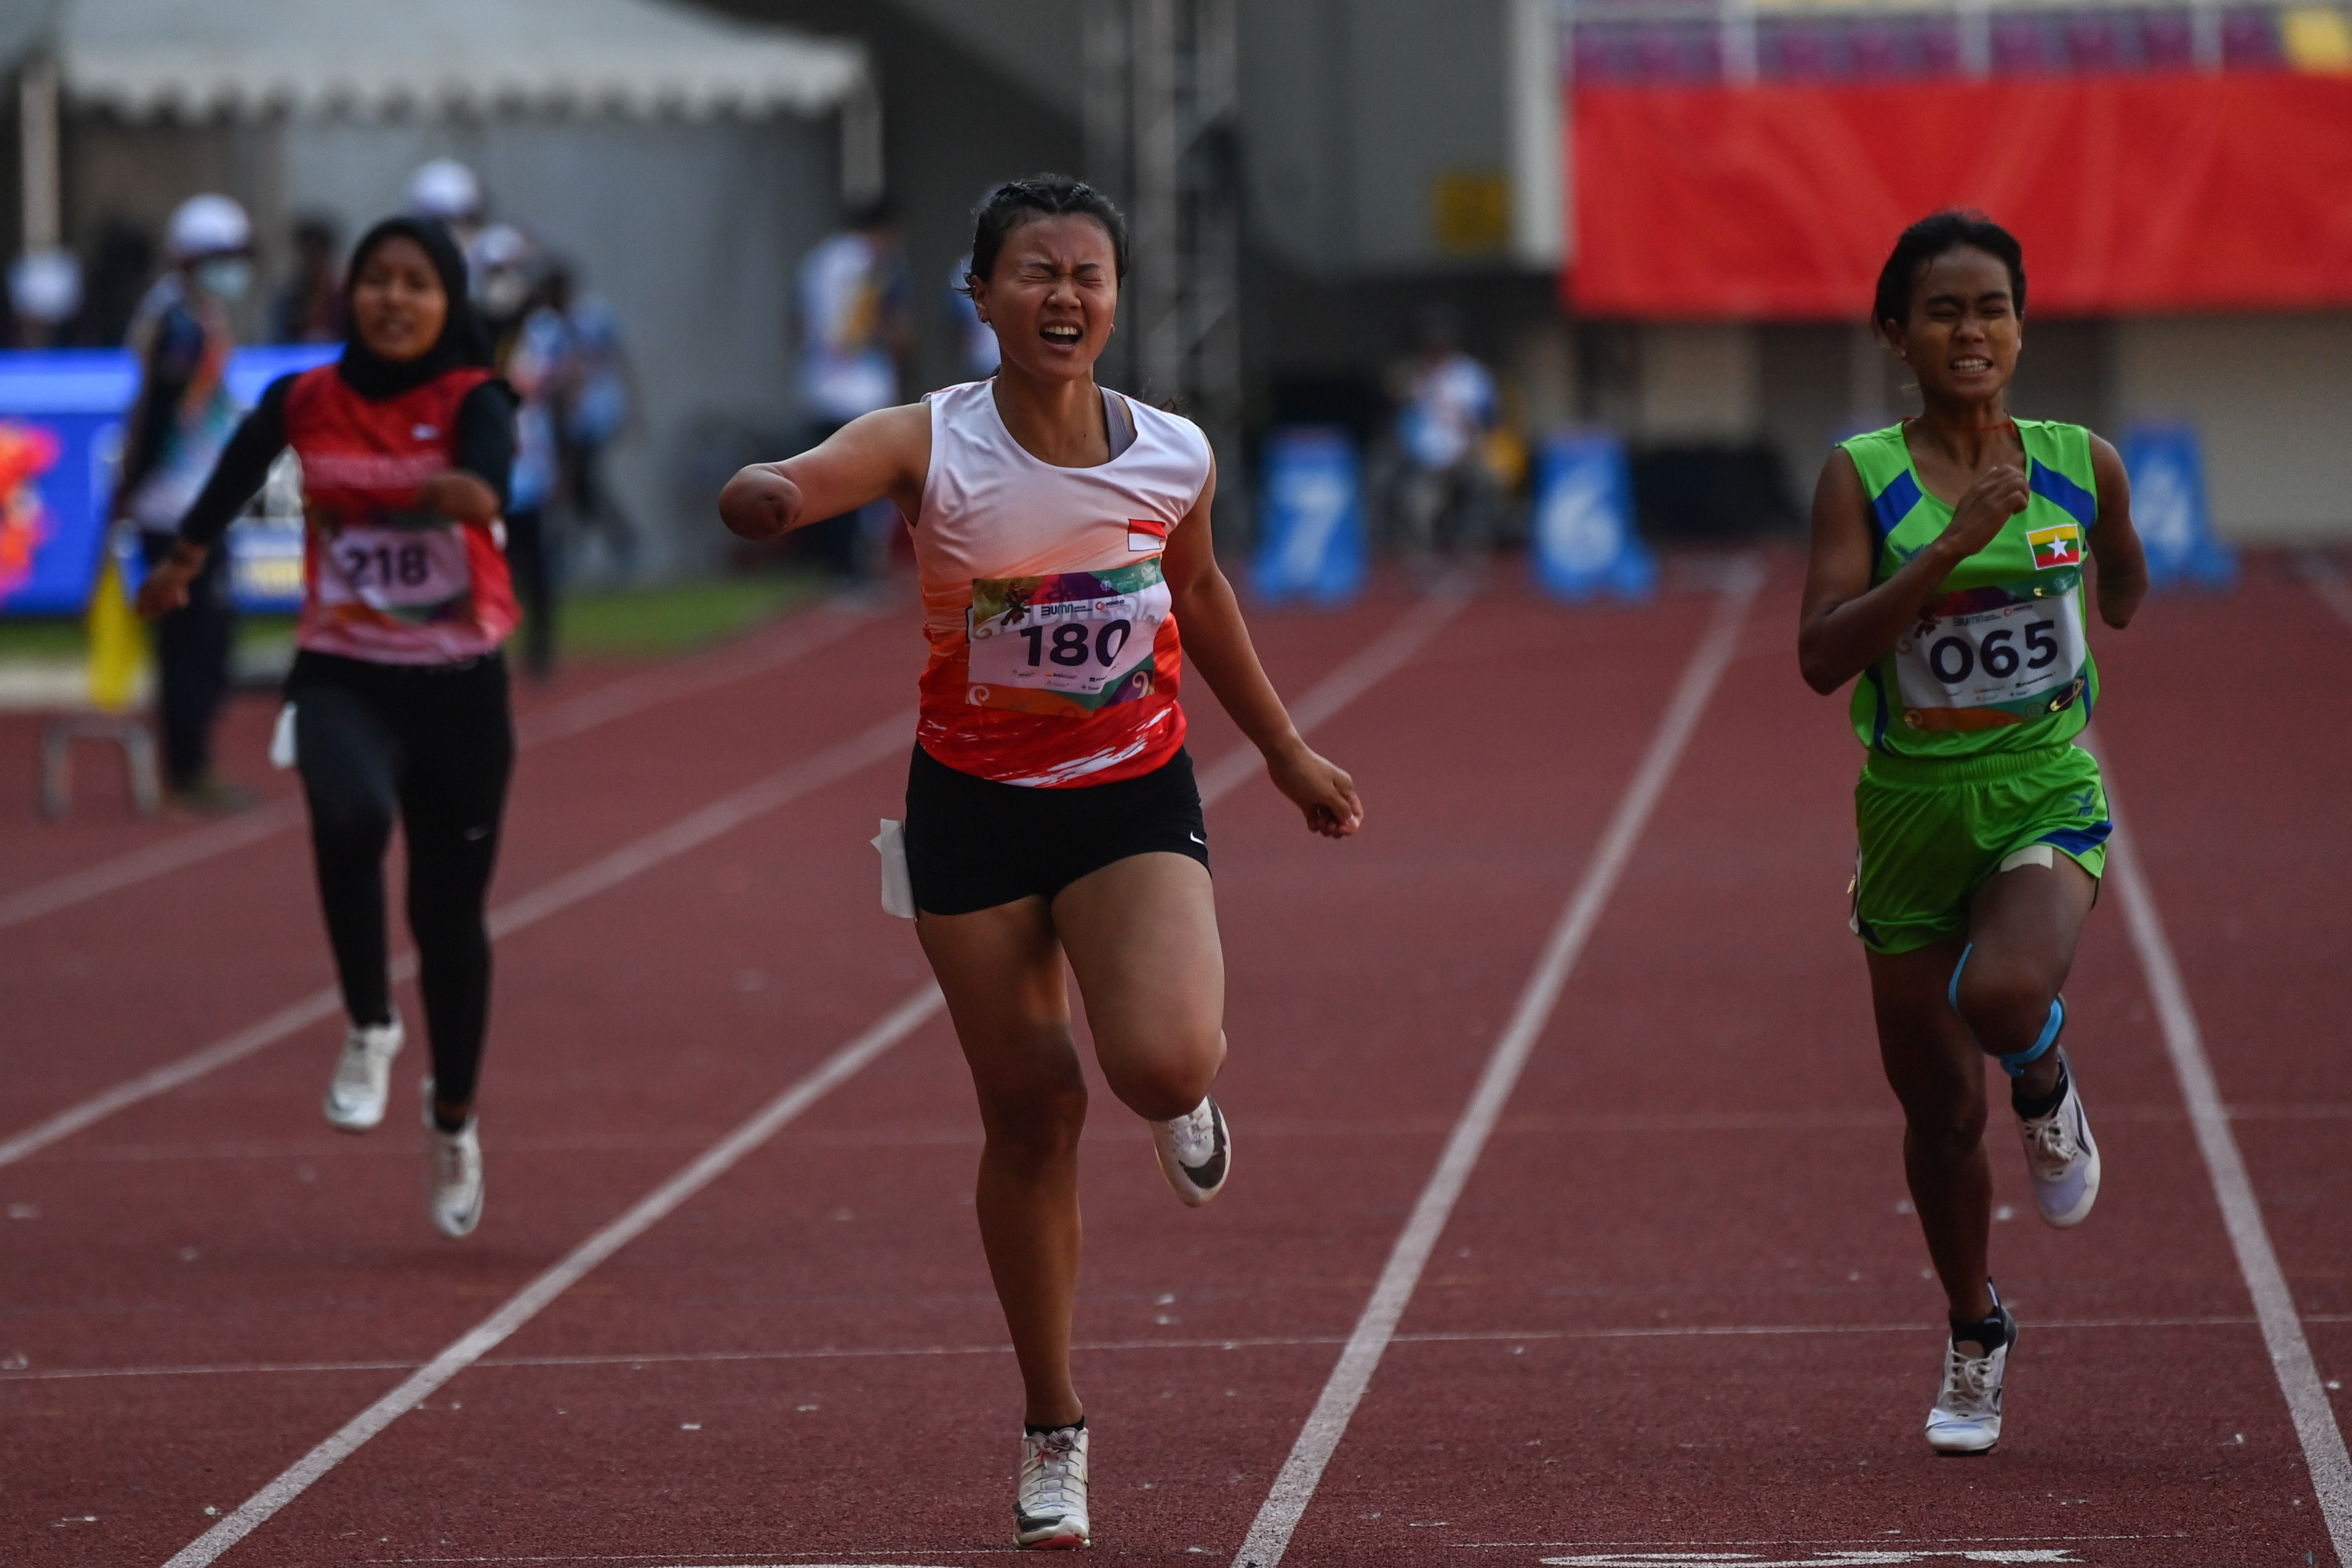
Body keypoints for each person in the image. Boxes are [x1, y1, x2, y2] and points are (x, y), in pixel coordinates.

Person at [720, 175, 1362, 1550]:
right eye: (1034, 273)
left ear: (1115, 300)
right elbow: (813, 474)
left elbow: (1198, 593)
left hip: (1130, 796)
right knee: (1032, 1116)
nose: (1063, 296)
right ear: (982, 296)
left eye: (1087, 275)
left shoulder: (1171, 451)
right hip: (971, 813)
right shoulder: (926, 440)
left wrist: (1291, 752)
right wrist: (771, 493)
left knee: (1163, 1063)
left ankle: (1187, 1110)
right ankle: (1053, 1426)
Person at [1797, 211, 2148, 1457]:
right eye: (1942, 310)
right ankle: (1975, 1328)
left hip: (2042, 784)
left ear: (2020, 323)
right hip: (1907, 810)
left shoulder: (2079, 458)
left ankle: (2046, 1083)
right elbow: (1820, 658)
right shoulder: (1864, 474)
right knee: (1940, 1115)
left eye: (1991, 306)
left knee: (2003, 997)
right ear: (1897, 335)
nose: (1970, 330)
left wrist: (2110, 583)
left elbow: (2121, 573)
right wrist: (1949, 546)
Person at [136, 217, 521, 1241]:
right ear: (350, 296)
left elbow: (495, 477)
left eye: (416, 284)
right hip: (344, 668)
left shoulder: (472, 398)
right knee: (346, 814)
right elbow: (239, 462)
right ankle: (367, 1025)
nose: (393, 299)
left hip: (459, 687)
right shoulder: (308, 398)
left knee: (447, 921)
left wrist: (468, 494)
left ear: (448, 303)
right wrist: (182, 557)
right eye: (376, 281)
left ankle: (453, 1121)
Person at [117, 194, 258, 811]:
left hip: (198, 500)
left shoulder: (200, 313)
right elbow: (157, 420)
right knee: (192, 643)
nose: (234, 267)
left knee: (210, 640)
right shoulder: (177, 322)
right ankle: (185, 769)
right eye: (221, 256)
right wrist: (125, 497)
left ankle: (192, 762)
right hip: (173, 507)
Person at [794, 201, 912, 576]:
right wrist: (894, 346)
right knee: (866, 482)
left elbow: (794, 324)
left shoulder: (815, 262)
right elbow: (875, 319)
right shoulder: (875, 264)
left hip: (819, 383)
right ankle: (857, 564)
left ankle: (835, 563)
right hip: (863, 385)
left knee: (828, 480)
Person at [1384, 303, 1502, 560]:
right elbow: (1402, 425)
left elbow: (1485, 423)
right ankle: (1420, 557)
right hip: (1424, 463)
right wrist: (1421, 459)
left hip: (1464, 458)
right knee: (1413, 497)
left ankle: (1472, 549)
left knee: (1486, 481)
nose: (1435, 350)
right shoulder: (1411, 375)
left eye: (1440, 344)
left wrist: (1463, 457)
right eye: (1430, 344)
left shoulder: (1470, 374)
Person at [553, 271, 639, 580]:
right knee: (583, 485)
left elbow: (620, 359)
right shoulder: (558, 320)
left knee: (584, 481)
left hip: (599, 410)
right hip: (579, 415)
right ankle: (617, 542)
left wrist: (632, 408)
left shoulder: (592, 314)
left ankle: (612, 543)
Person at [272, 215, 346, 344]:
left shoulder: (345, 301)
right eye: (306, 256)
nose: (310, 265)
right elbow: (277, 343)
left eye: (315, 256)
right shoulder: (287, 303)